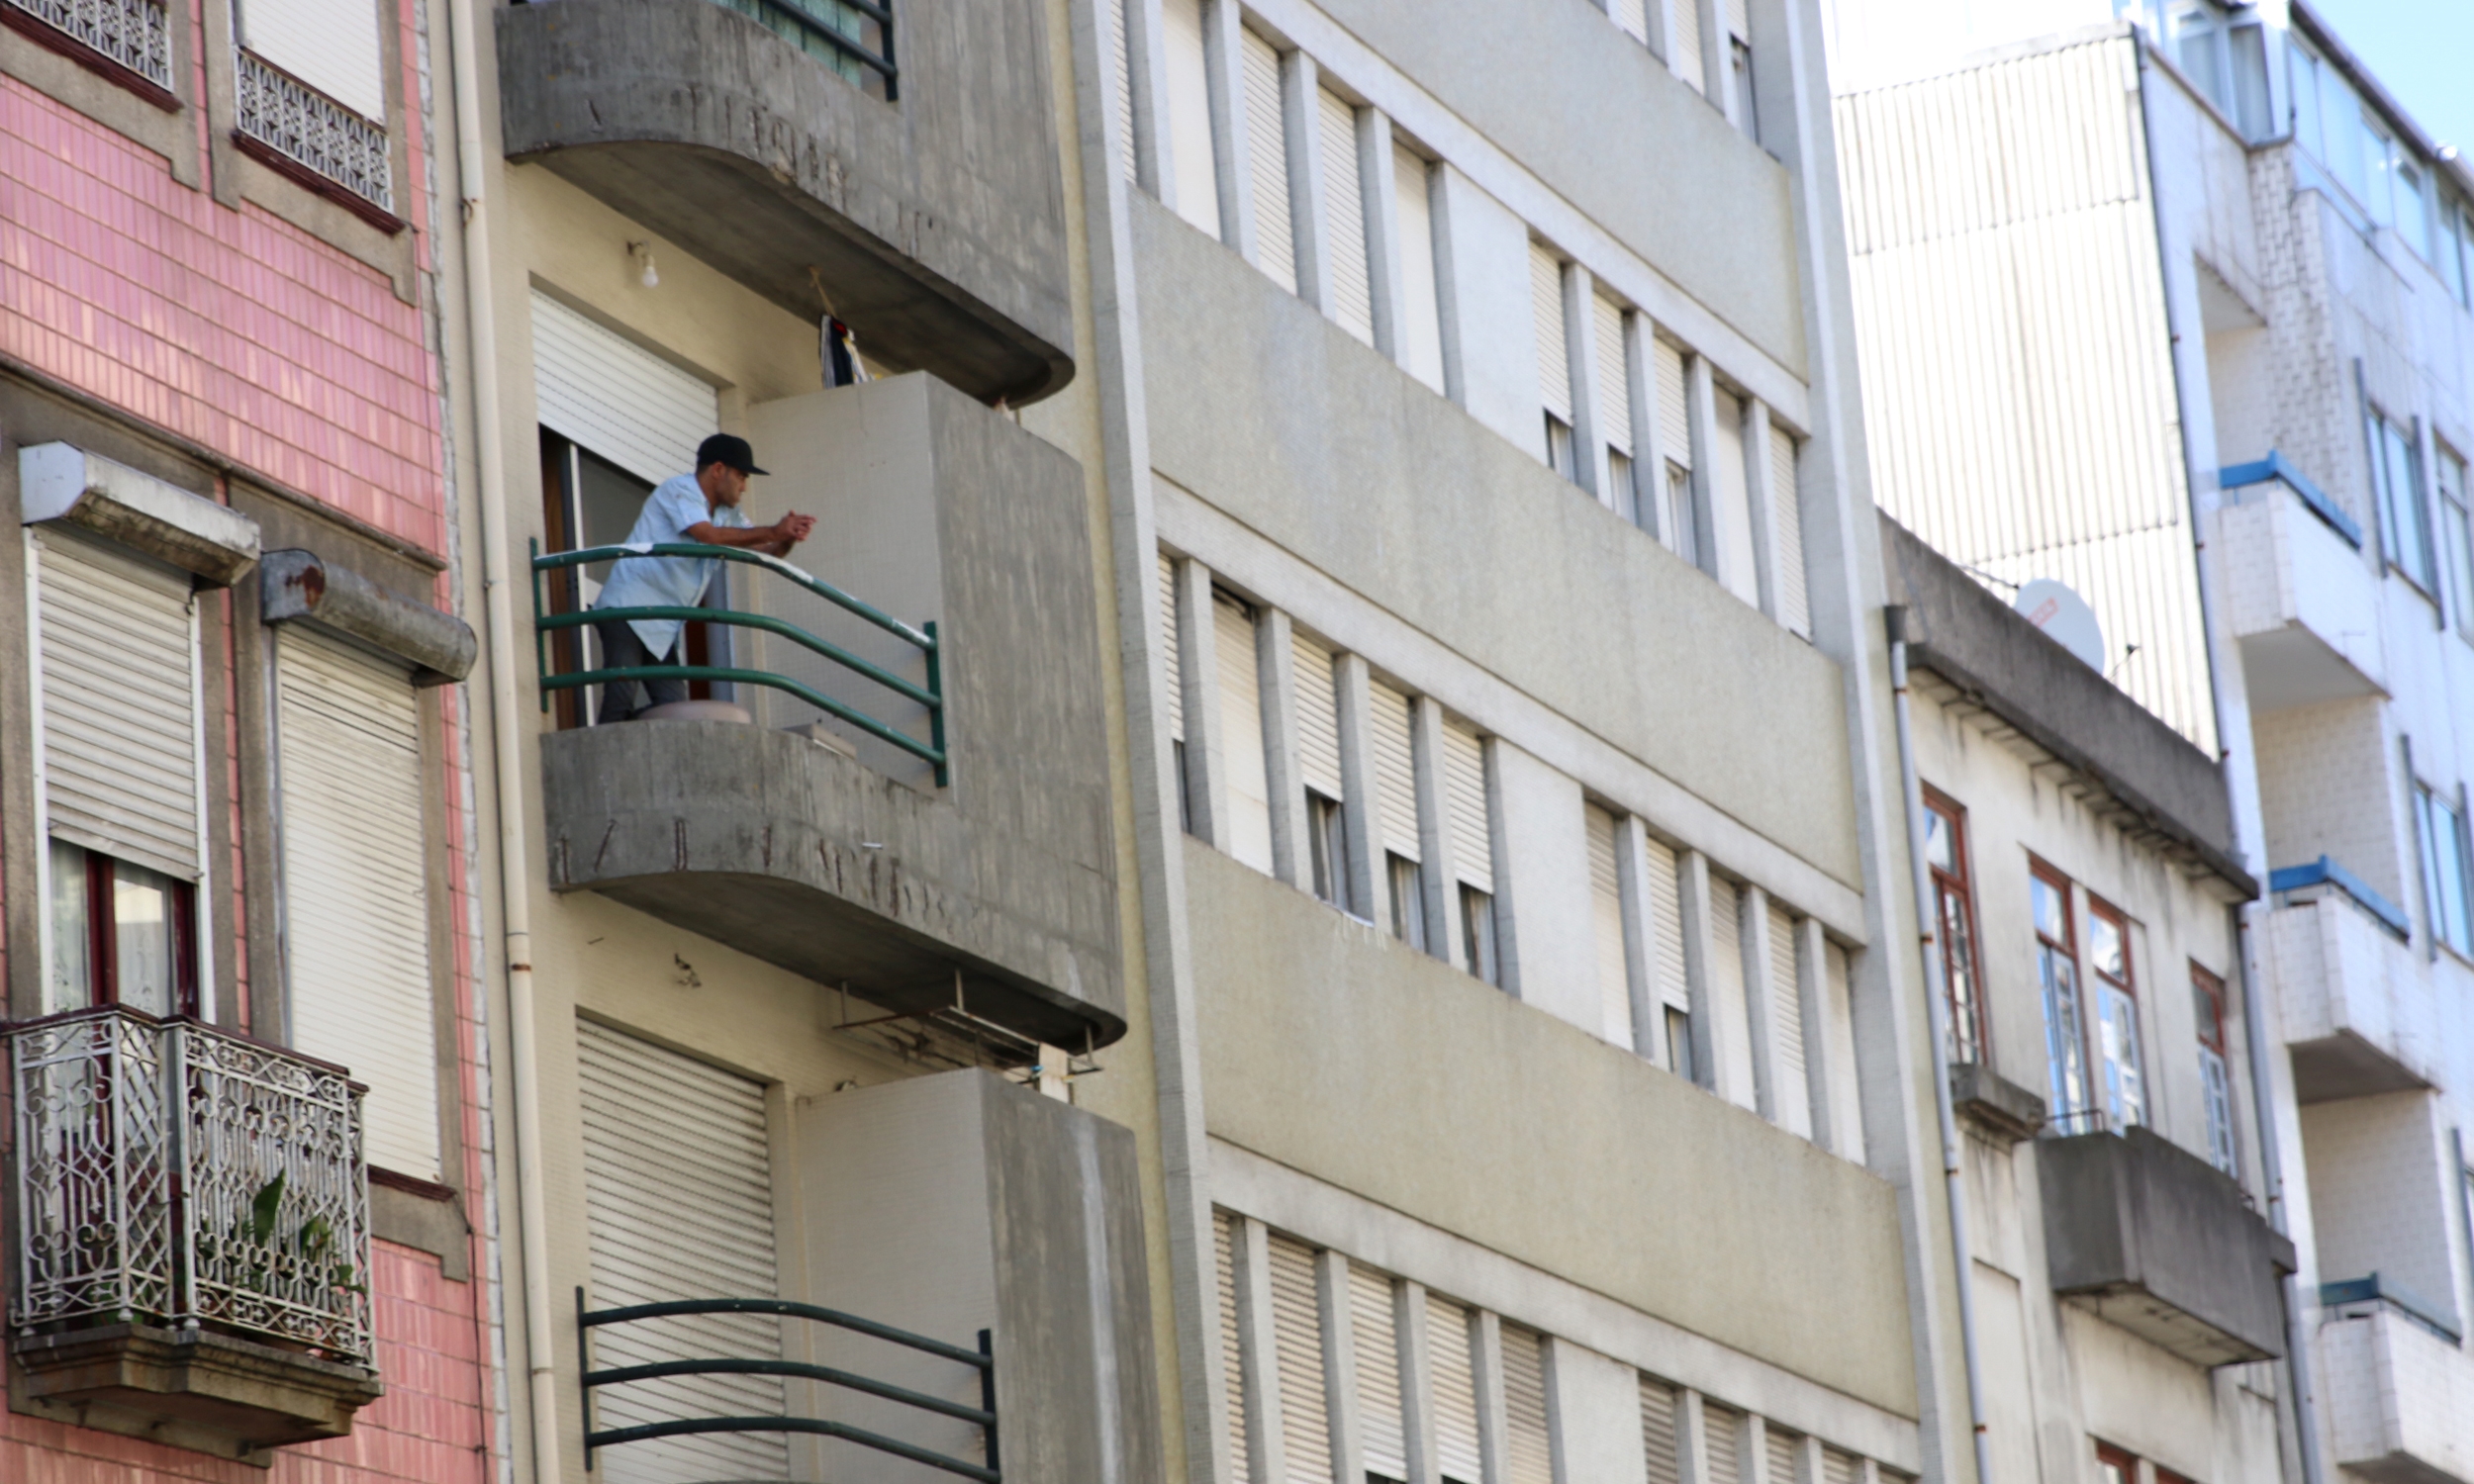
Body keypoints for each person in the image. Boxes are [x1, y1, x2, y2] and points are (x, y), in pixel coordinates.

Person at [592, 433, 816, 722]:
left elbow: (768, 552)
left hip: (662, 624)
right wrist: (774, 530)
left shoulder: (728, 513)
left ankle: (634, 730)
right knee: (619, 700)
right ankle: (614, 739)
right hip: (628, 608)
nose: (744, 487)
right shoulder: (680, 489)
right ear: (718, 470)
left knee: (675, 713)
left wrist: (787, 538)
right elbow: (708, 535)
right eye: (741, 476)